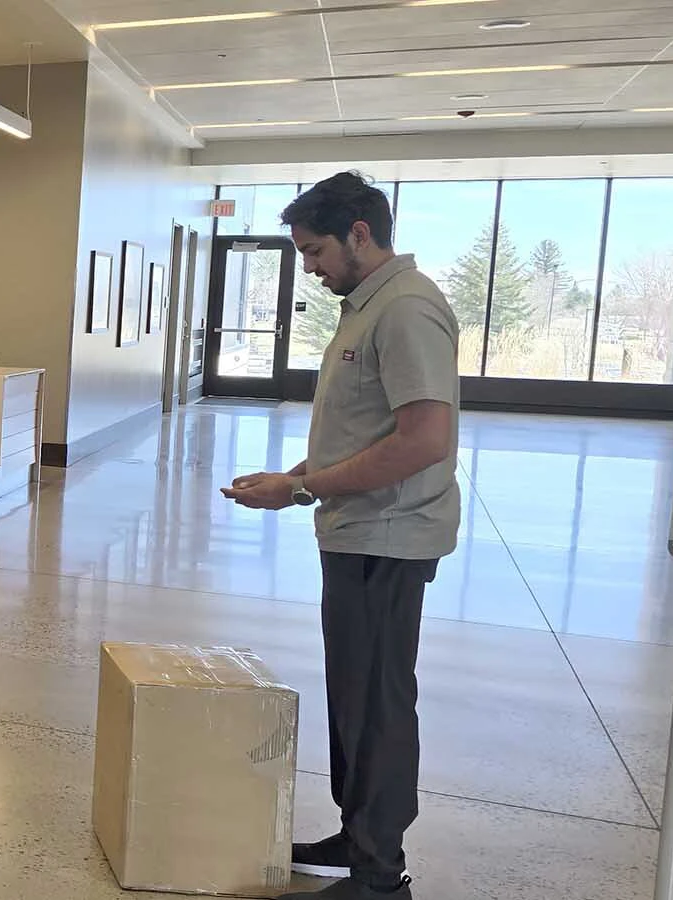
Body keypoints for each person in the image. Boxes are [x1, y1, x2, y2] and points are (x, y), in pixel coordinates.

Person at [221, 172, 460, 900]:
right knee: (354, 699)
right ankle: (358, 838)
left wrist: (301, 488)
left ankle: (381, 876)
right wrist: (292, 479)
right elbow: (364, 430)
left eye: (315, 250)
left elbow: (424, 440)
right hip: (356, 534)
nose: (310, 267)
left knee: (379, 705)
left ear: (361, 233)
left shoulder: (408, 309)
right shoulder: (366, 306)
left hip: (389, 539)